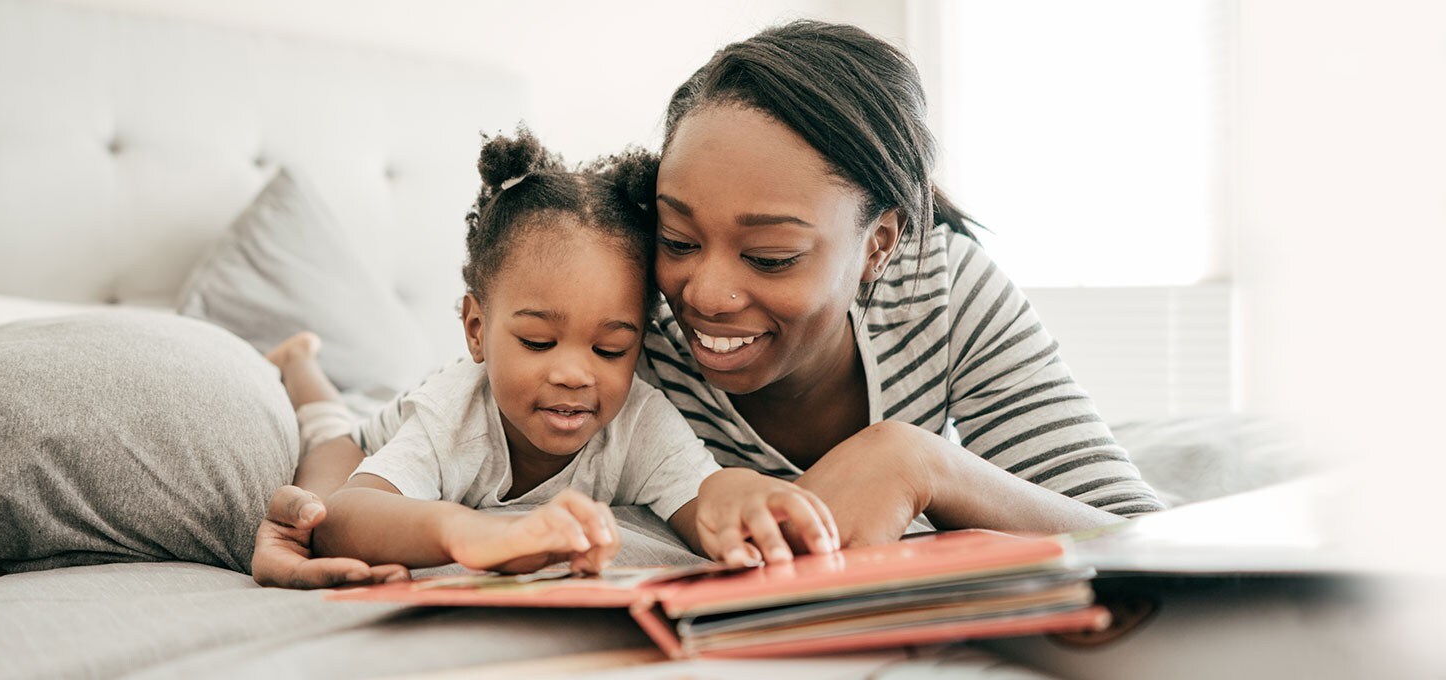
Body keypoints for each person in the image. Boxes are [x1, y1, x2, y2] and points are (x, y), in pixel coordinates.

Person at [252, 21, 1163, 590]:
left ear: (881, 242)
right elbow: (441, 448)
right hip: (394, 417)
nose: (704, 295)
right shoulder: (617, 330)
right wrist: (319, 509)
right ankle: (303, 368)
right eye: (678, 239)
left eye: (770, 254)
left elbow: (1157, 543)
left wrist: (925, 464)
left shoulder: (947, 290)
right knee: (341, 417)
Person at [257, 128, 839, 584]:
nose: (572, 374)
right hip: (369, 440)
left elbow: (701, 494)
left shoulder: (640, 421)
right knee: (328, 436)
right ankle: (300, 361)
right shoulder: (452, 415)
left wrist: (741, 495)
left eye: (611, 349)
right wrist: (471, 533)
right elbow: (351, 515)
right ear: (478, 330)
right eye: (537, 342)